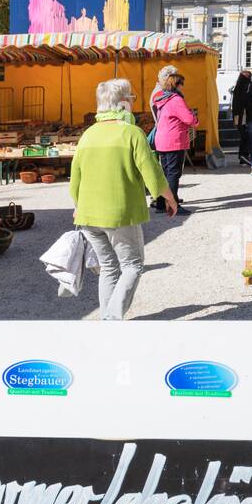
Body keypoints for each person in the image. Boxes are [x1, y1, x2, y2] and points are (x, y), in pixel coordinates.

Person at [70, 78, 178, 320]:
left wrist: (78, 206)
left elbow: (75, 178)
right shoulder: (131, 133)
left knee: (108, 268)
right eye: (130, 98)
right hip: (120, 213)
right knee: (132, 266)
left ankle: (107, 319)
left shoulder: (87, 135)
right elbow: (151, 171)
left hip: (88, 215)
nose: (132, 102)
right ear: (121, 104)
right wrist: (169, 198)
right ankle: (112, 319)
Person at [150, 65, 197, 215]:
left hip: (162, 139)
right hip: (174, 140)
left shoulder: (161, 99)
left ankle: (161, 204)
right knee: (173, 174)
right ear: (176, 84)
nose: (182, 87)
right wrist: (194, 116)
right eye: (181, 84)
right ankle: (173, 204)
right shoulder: (175, 99)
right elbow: (190, 119)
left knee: (164, 173)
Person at [231, 70, 252, 165]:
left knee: (244, 136)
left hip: (238, 115)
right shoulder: (249, 86)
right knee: (246, 136)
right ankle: (244, 155)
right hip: (245, 115)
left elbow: (235, 104)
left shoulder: (238, 87)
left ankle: (243, 156)